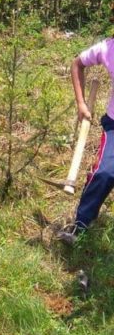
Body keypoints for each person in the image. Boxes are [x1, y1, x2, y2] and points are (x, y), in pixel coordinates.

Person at [57, 39, 114, 244]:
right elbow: (77, 64)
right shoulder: (108, 49)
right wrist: (81, 104)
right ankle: (80, 226)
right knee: (104, 172)